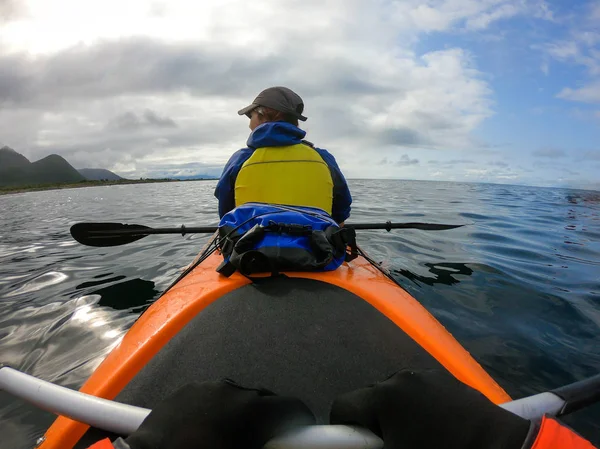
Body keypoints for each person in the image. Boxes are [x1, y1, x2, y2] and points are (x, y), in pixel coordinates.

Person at [88, 369, 595, 449]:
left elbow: (227, 206)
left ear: (260, 118)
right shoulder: (324, 161)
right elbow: (342, 207)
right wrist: (524, 444)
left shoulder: (239, 163)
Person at [214, 86, 352, 224]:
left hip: (249, 244)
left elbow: (226, 213)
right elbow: (341, 212)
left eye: (251, 116)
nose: (249, 124)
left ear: (262, 116)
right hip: (314, 244)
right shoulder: (323, 158)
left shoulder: (241, 159)